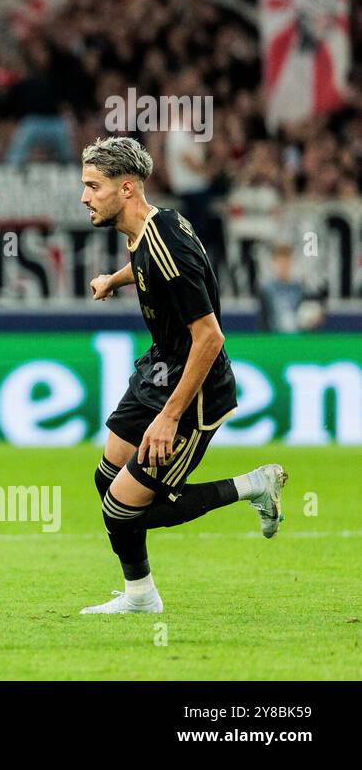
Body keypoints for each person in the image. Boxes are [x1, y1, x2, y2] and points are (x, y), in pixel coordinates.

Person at [78, 136, 286, 614]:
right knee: (108, 478)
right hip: (159, 368)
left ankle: (251, 486)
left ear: (126, 189)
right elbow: (149, 266)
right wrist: (114, 278)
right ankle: (138, 593)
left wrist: (170, 418)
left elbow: (210, 337)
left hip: (193, 391)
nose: (85, 197)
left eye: (93, 187)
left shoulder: (166, 242)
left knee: (121, 508)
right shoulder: (153, 226)